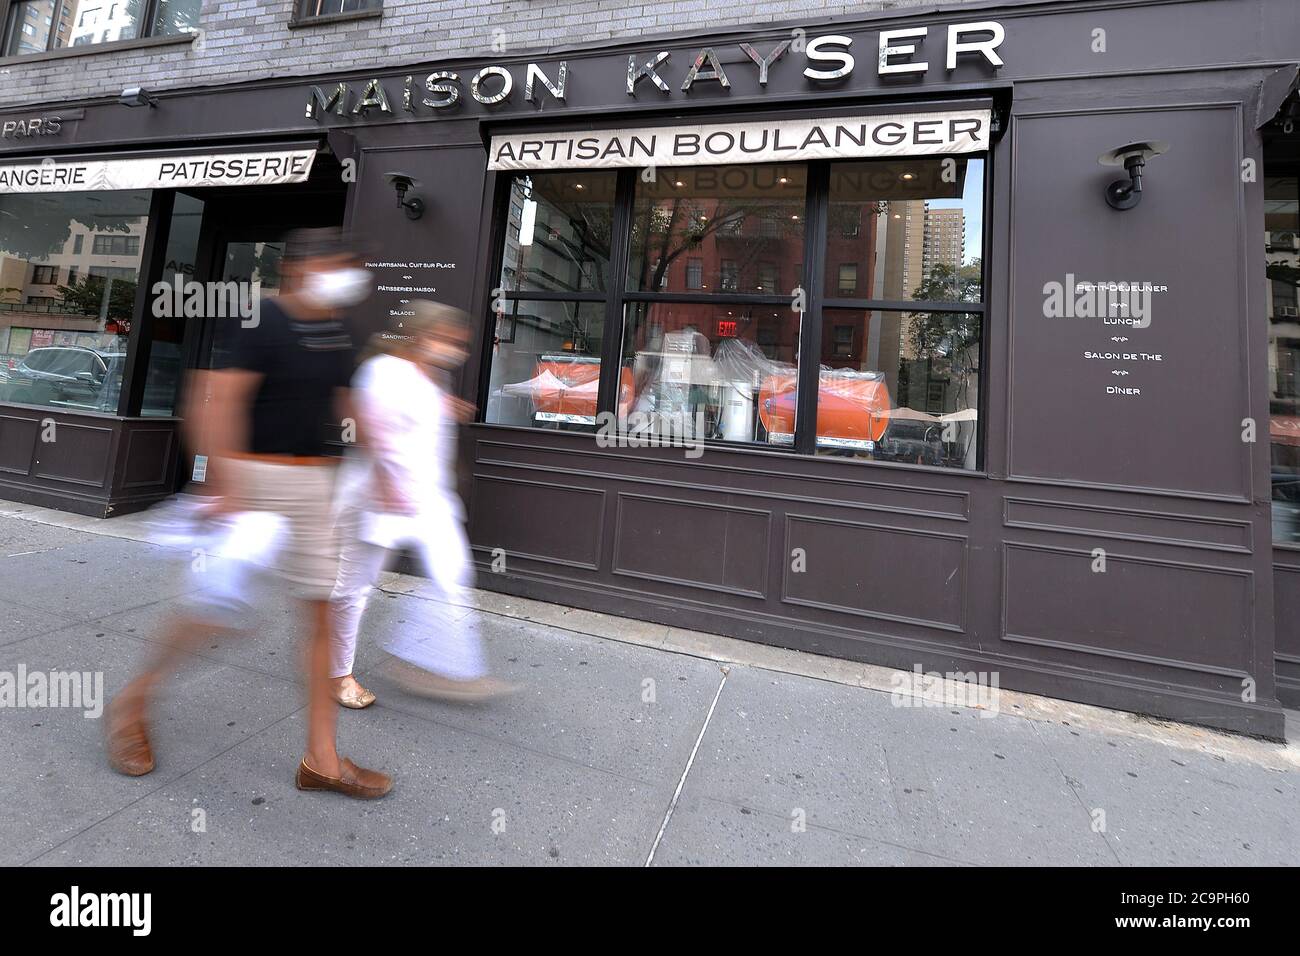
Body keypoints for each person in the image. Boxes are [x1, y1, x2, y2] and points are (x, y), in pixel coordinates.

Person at [106, 227, 393, 800]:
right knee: (211, 613)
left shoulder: (336, 330)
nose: (350, 276)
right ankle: (131, 703)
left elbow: (349, 404)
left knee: (321, 616)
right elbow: (216, 398)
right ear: (304, 269)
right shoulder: (264, 319)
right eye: (340, 264)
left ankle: (322, 760)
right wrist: (222, 483)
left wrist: (384, 463)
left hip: (316, 482)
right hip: (255, 479)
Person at [329, 301, 515, 705]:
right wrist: (384, 482)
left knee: (452, 573)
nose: (456, 351)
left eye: (457, 344)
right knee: (354, 590)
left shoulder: (433, 378)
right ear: (422, 335)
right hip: (379, 496)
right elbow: (368, 427)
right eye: (449, 341)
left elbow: (418, 422)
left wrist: (446, 409)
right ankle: (337, 672)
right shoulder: (383, 370)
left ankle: (424, 660)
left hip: (427, 498)